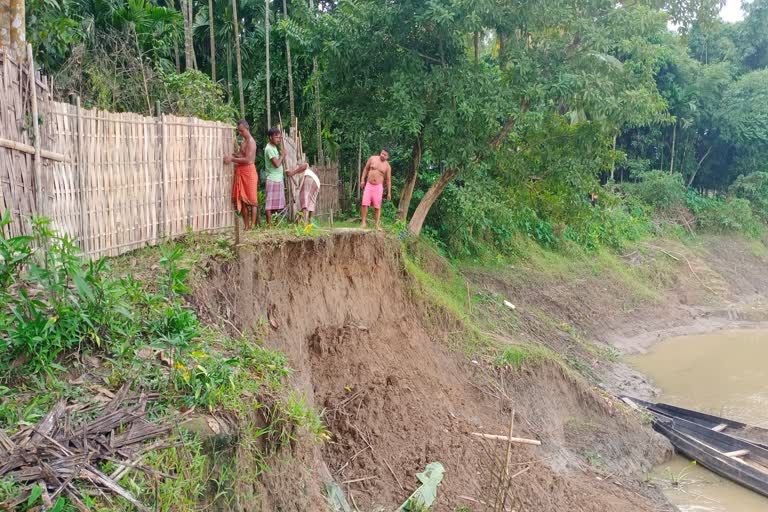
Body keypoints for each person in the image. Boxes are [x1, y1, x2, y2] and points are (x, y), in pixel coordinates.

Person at [224, 120, 258, 230]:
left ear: (247, 129)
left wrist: (233, 159)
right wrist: (235, 155)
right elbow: (241, 155)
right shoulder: (243, 142)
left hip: (249, 172)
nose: (240, 133)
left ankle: (252, 226)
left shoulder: (251, 142)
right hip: (241, 172)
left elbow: (248, 160)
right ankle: (246, 226)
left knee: (252, 201)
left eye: (242, 131)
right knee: (242, 200)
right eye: (239, 131)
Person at [360, 147, 391, 230]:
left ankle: (377, 225)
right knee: (365, 203)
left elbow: (388, 180)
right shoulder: (372, 158)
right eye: (382, 153)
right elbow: (366, 169)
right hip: (369, 185)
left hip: (378, 187)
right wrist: (362, 180)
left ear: (387, 157)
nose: (382, 155)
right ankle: (363, 222)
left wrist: (389, 193)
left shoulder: (387, 166)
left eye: (385, 155)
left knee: (377, 206)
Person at [264, 128, 287, 226]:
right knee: (270, 204)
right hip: (272, 179)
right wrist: (282, 156)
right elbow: (276, 164)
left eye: (279, 137)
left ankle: (276, 224)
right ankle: (269, 226)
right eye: (276, 137)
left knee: (276, 204)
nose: (278, 139)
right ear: (270, 137)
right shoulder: (269, 149)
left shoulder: (274, 147)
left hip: (278, 178)